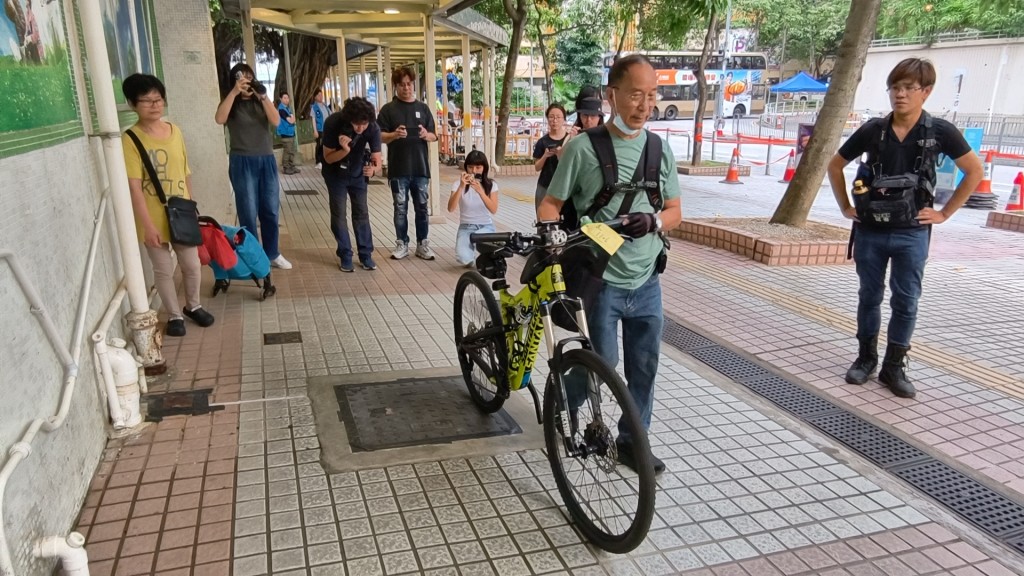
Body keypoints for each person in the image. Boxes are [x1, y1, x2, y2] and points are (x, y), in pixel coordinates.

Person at [538, 54, 682, 474]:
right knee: (600, 366)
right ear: (611, 95)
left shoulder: (659, 149)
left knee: (644, 367)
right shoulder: (583, 148)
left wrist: (655, 221)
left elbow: (675, 211)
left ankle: (633, 442)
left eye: (652, 95)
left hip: (647, 281)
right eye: (636, 95)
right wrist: (552, 237)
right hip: (601, 282)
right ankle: (559, 406)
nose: (644, 105)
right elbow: (550, 204)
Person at [827, 57, 983, 399]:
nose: (900, 94)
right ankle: (866, 358)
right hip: (870, 230)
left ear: (926, 92)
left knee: (907, 300)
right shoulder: (873, 130)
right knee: (869, 295)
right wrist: (845, 207)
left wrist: (944, 214)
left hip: (912, 232)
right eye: (895, 87)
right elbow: (835, 165)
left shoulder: (939, 131)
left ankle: (893, 367)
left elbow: (974, 171)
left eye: (909, 88)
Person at [120, 73, 215, 337]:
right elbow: (134, 186)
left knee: (192, 264)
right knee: (162, 270)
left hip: (181, 212)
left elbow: (186, 172)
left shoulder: (175, 131)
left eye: (158, 99)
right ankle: (174, 316)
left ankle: (193, 306)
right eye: (147, 100)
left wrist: (191, 208)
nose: (155, 105)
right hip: (151, 215)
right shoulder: (130, 139)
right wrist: (147, 225)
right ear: (132, 104)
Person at [215, 63, 292, 270]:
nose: (246, 82)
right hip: (242, 161)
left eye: (249, 78)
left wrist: (263, 96)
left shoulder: (261, 101)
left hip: (266, 160)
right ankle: (253, 256)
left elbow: (276, 121)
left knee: (270, 209)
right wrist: (234, 92)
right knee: (248, 211)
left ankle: (272, 253)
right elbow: (219, 119)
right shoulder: (232, 103)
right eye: (241, 78)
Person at [377, 66, 438, 261]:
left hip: (420, 169)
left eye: (409, 84)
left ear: (414, 85)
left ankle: (423, 244)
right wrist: (394, 135)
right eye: (402, 84)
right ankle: (401, 243)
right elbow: (379, 136)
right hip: (398, 169)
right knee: (400, 208)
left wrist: (425, 135)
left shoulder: (423, 108)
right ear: (396, 86)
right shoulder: (388, 110)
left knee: (422, 208)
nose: (406, 88)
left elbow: (434, 135)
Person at [321, 96, 382, 272]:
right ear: (349, 119)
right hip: (335, 174)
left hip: (358, 173)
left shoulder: (372, 127)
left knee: (361, 213)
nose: (360, 128)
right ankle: (345, 254)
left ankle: (365, 255)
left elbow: (377, 160)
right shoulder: (333, 123)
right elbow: (328, 158)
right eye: (356, 124)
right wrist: (345, 150)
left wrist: (373, 169)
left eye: (364, 124)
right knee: (339, 214)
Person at [447, 150, 498, 267]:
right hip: (466, 227)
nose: (474, 171)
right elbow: (450, 208)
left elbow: (493, 209)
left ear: (484, 168)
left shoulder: (491, 185)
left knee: (479, 239)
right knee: (463, 258)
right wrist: (461, 187)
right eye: (470, 167)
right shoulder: (457, 184)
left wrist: (481, 192)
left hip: (485, 226)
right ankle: (472, 255)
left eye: (478, 167)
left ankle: (484, 253)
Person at [532, 103, 570, 209]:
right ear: (547, 119)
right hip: (545, 185)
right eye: (551, 117)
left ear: (564, 119)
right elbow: (537, 167)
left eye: (558, 117)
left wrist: (561, 154)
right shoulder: (542, 142)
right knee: (543, 216)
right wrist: (545, 155)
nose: (555, 120)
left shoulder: (570, 140)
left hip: (565, 186)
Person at [277, 92, 299, 175]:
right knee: (287, 151)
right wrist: (292, 118)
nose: (287, 100)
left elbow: (293, 119)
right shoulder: (281, 110)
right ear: (281, 99)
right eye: (284, 98)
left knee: (291, 151)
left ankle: (291, 166)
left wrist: (292, 118)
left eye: (287, 98)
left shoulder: (287, 108)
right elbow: (291, 120)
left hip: (290, 133)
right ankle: (286, 167)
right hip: (285, 133)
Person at [311, 88, 330, 169]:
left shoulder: (325, 106)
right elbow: (313, 119)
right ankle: (318, 161)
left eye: (321, 95)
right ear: (315, 97)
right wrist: (315, 130)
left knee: (325, 144)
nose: (321, 96)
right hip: (319, 129)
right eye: (318, 95)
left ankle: (324, 160)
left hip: (326, 128)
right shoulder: (314, 107)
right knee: (319, 145)